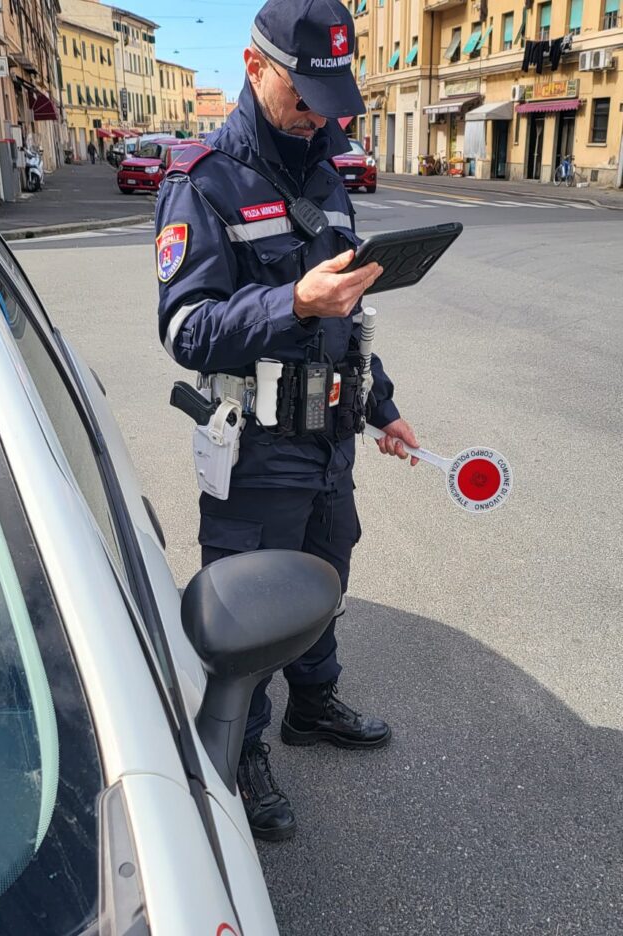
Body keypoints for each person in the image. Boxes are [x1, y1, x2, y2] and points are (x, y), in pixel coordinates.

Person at [155, 0, 420, 842]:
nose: (317, 114)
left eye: (330, 98)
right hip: (258, 445)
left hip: (330, 437)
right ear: (254, 65)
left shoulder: (328, 173)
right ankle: (244, 748)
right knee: (251, 603)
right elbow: (185, 330)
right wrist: (291, 301)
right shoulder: (203, 182)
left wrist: (383, 407)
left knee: (325, 577)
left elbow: (348, 315)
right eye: (303, 94)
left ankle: (313, 704)